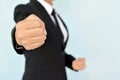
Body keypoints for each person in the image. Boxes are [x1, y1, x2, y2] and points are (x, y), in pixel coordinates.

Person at [11, 0, 86, 80]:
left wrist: (71, 62)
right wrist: (17, 37)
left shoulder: (55, 14)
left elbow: (56, 51)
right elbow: (22, 28)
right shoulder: (25, 9)